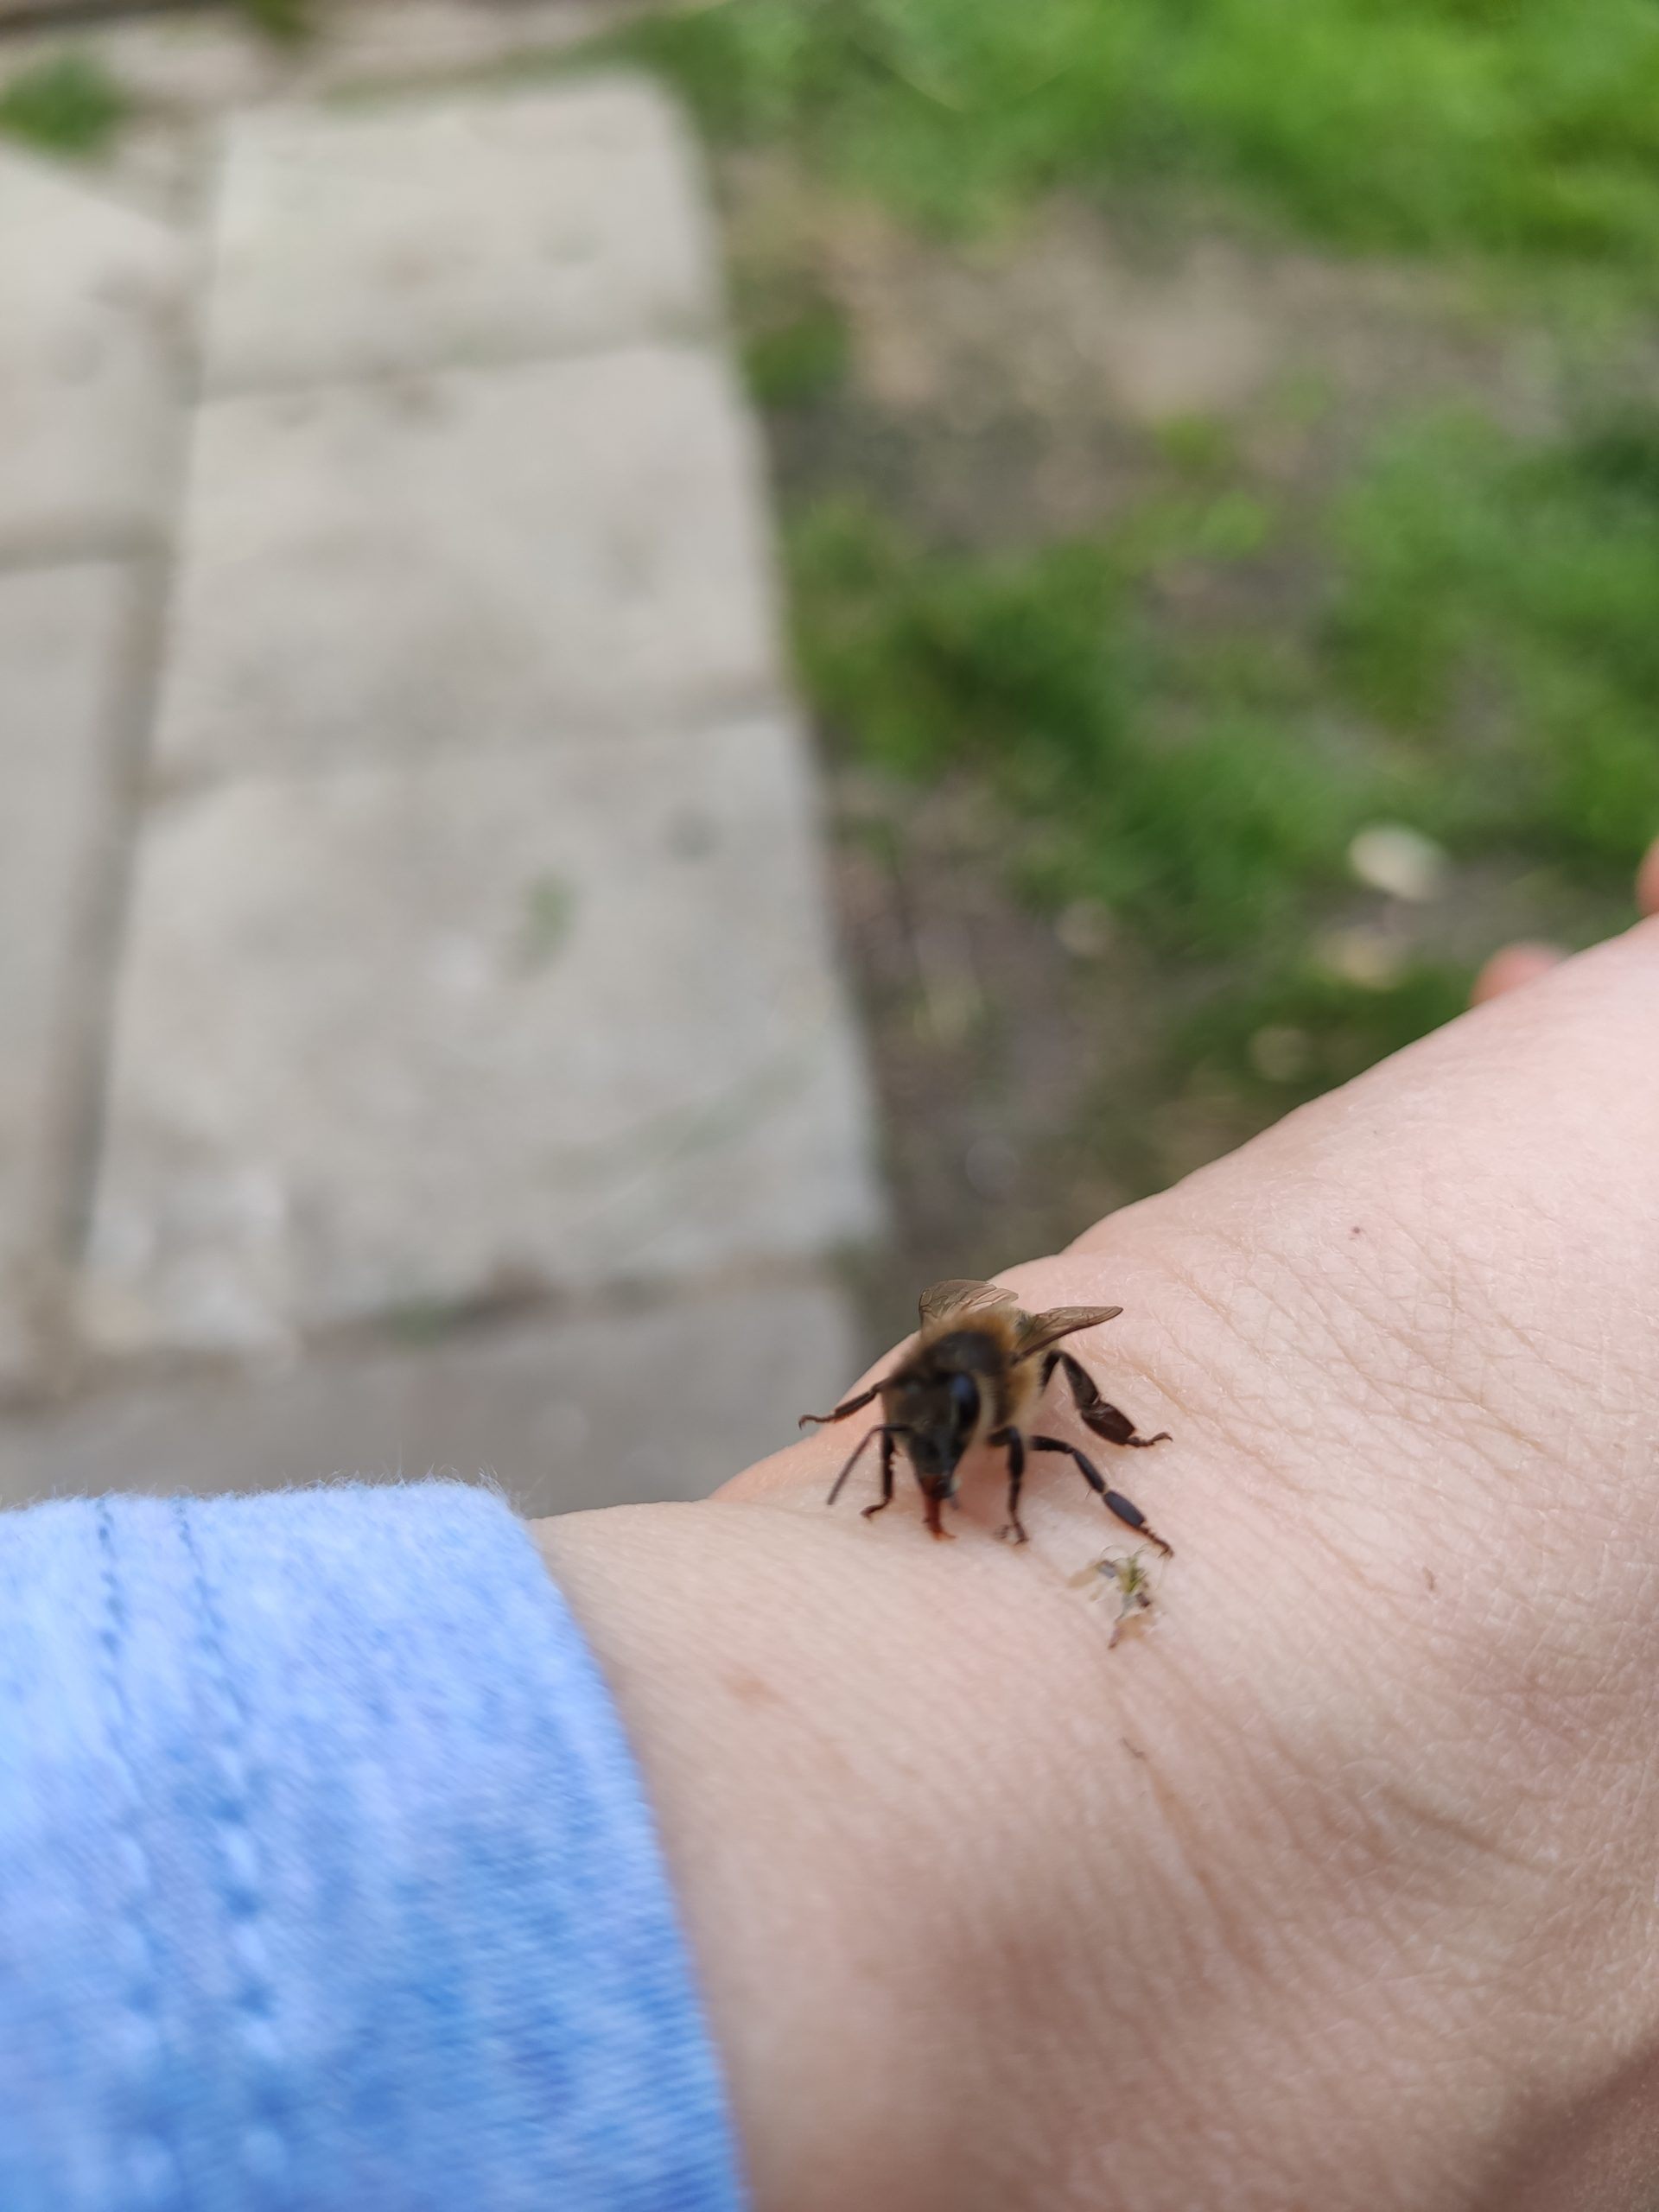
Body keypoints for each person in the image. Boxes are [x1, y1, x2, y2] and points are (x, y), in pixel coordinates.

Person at [7, 849, 1659, 2212]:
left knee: (1052, 1438)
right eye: (915, 1446)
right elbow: (906, 1416)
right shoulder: (920, 1403)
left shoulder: (1013, 1382)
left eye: (936, 1445)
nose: (928, 1462)